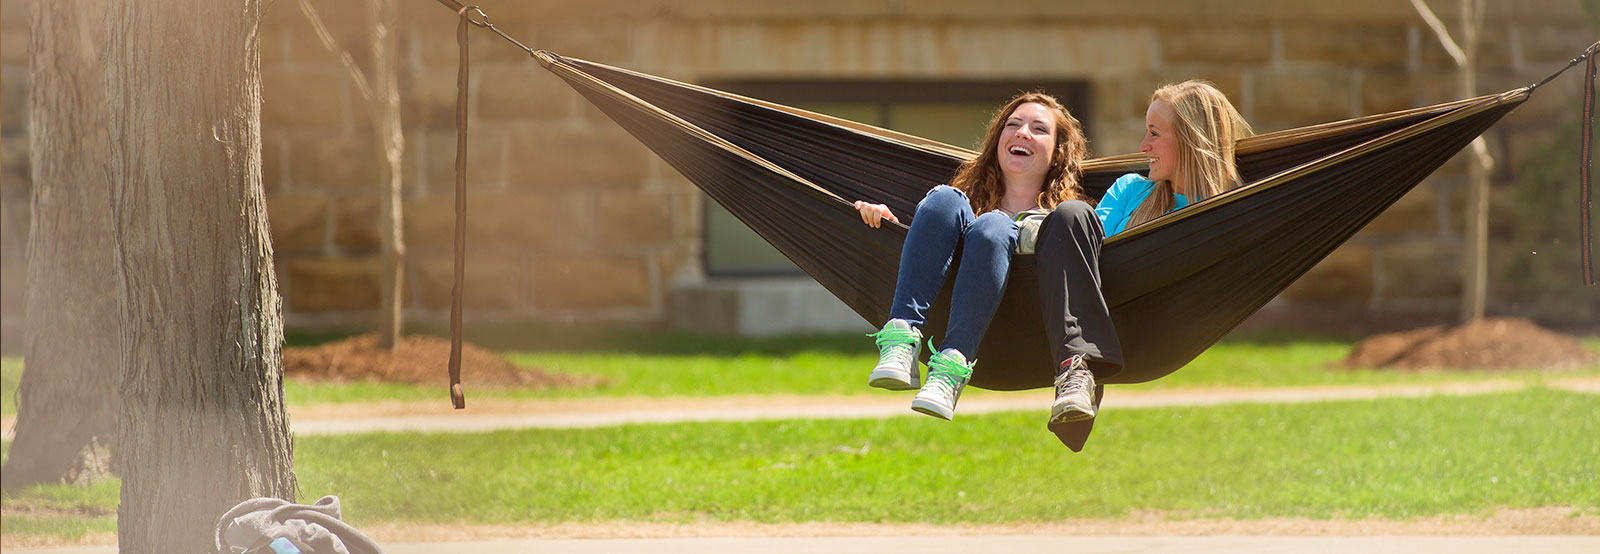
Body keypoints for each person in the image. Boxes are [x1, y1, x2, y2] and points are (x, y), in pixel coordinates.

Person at [1035, 79, 1253, 436]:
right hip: (1098, 311)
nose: (1143, 146)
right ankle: (1077, 375)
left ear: (1191, 139)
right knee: (1072, 214)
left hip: (1154, 326)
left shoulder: (1226, 215)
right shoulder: (1129, 190)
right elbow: (1078, 256)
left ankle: (1078, 376)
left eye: (1154, 133)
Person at [854, 92, 1089, 421]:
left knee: (994, 224)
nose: (1022, 132)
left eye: (1039, 129)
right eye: (1013, 124)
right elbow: (930, 250)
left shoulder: (1065, 224)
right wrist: (890, 227)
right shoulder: (961, 209)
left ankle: (952, 365)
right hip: (942, 304)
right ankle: (902, 336)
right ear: (998, 139)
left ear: (1057, 152)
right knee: (944, 198)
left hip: (1018, 326)